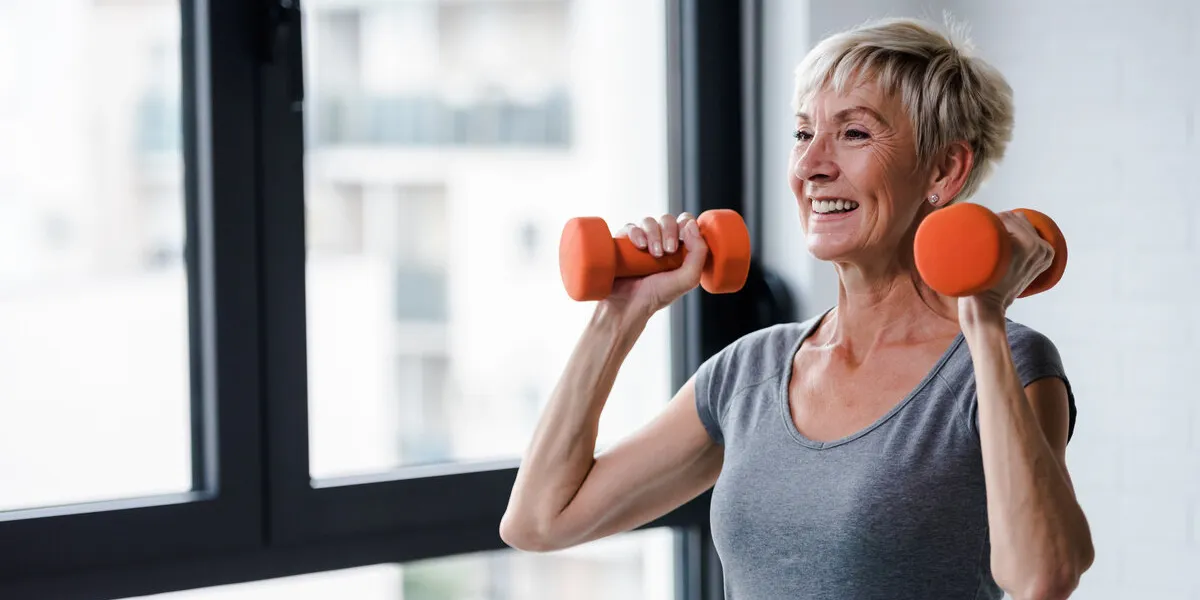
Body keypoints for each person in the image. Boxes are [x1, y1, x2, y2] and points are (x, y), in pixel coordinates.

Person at [500, 16, 1094, 600]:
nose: (812, 166)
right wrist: (620, 315)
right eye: (804, 134)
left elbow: (1042, 576)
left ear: (944, 169)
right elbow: (539, 521)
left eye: (855, 133)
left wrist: (983, 317)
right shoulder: (748, 373)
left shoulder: (1006, 363)